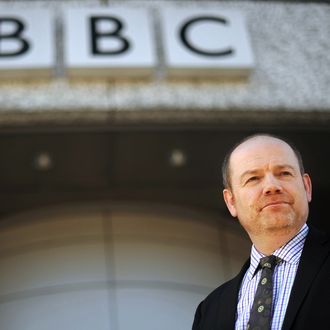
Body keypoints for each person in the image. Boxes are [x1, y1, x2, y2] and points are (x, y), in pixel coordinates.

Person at [192, 133, 330, 330]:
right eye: (253, 178)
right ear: (231, 202)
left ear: (307, 187)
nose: (272, 187)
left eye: (284, 173)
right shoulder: (210, 309)